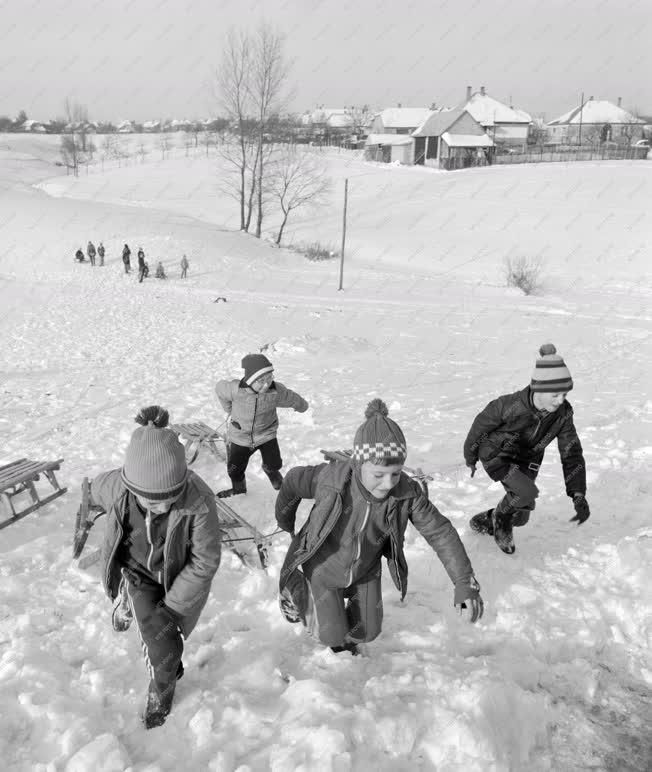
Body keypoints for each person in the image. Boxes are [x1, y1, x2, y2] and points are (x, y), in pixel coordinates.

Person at [275, 399, 483, 655]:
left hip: (365, 570)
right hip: (322, 569)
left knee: (368, 632)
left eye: (395, 474)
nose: (388, 484)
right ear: (359, 464)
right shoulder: (331, 479)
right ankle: (295, 592)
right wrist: (284, 518)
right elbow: (294, 480)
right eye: (378, 475)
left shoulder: (406, 494)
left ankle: (343, 623)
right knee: (330, 635)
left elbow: (440, 532)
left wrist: (464, 582)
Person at [88, 405, 221, 729]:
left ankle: (164, 654)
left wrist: (173, 608)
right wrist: (87, 500)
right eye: (150, 501)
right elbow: (94, 488)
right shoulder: (119, 486)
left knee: (165, 632)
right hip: (138, 574)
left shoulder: (198, 502)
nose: (160, 506)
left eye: (168, 498)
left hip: (178, 577)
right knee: (162, 643)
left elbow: (205, 561)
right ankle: (162, 694)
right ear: (132, 487)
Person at [464, 343, 589, 555]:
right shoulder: (509, 405)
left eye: (564, 395)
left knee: (521, 516)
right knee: (527, 492)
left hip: (526, 461)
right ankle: (500, 518)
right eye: (555, 395)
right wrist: (471, 456)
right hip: (497, 455)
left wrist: (578, 493)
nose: (561, 401)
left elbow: (571, 452)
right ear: (540, 389)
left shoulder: (563, 414)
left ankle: (487, 519)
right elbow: (481, 426)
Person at [215, 353, 308, 498]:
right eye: (261, 380)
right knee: (234, 469)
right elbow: (219, 388)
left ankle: (275, 479)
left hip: (266, 434)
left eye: (269, 378)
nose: (266, 384)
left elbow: (290, 397)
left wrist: (302, 406)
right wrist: (229, 409)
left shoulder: (275, 391)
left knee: (274, 464)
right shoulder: (235, 390)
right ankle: (239, 490)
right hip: (241, 437)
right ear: (250, 380)